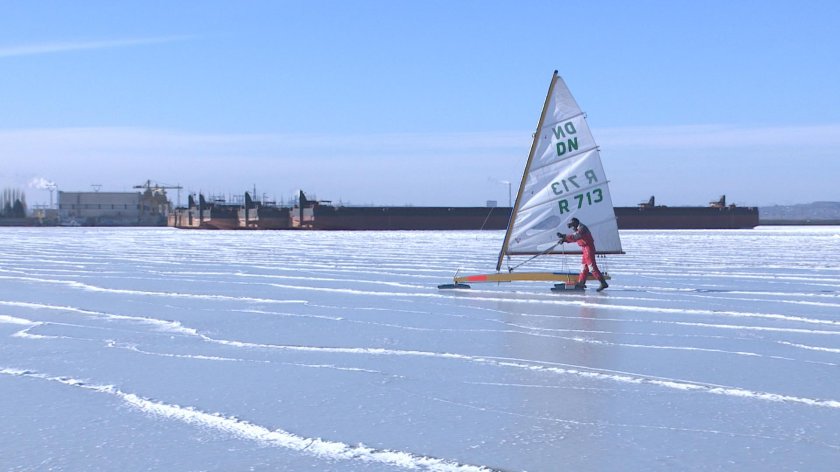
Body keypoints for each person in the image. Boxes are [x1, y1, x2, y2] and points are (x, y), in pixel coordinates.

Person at [557, 217, 609, 291]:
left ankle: (603, 283)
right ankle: (581, 282)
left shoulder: (582, 228)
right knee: (584, 267)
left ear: (575, 224)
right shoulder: (577, 228)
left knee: (592, 267)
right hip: (585, 248)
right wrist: (564, 240)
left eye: (572, 225)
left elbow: (575, 236)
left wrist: (564, 236)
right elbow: (575, 238)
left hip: (588, 248)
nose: (572, 228)